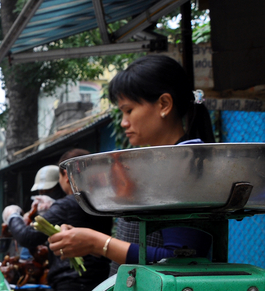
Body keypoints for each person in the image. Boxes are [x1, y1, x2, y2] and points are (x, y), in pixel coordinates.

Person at [49, 55, 214, 274]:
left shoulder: (185, 163)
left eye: (129, 110)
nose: (124, 122)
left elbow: (180, 262)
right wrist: (83, 240)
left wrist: (98, 243)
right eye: (122, 112)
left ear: (164, 104)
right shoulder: (158, 162)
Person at [2, 148, 114, 291]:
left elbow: (27, 236)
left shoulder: (69, 204)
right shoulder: (100, 204)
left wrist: (13, 216)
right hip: (99, 283)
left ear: (65, 174)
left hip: (71, 286)